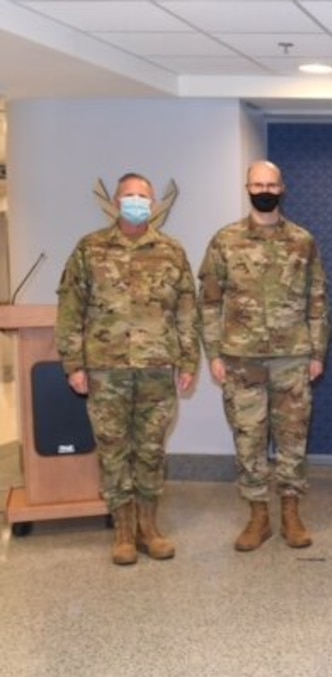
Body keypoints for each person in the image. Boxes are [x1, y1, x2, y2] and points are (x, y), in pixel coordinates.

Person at [56, 172, 199, 565]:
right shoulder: (90, 249)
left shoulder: (171, 251)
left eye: (143, 196)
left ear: (153, 205)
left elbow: (187, 310)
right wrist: (74, 364)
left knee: (151, 450)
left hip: (157, 368)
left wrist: (188, 361)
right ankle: (122, 531)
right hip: (106, 370)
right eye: (129, 195)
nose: (136, 201)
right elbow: (70, 309)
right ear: (116, 202)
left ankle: (149, 529)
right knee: (114, 450)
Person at [198, 160, 330, 553]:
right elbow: (208, 302)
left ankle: (291, 513)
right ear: (247, 187)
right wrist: (214, 353)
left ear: (283, 188)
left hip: (292, 357)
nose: (264, 189)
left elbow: (318, 300)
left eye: (271, 184)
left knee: (293, 439)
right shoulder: (225, 241)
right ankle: (258, 516)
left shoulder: (303, 240)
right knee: (248, 440)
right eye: (257, 183)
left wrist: (317, 351)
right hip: (241, 360)